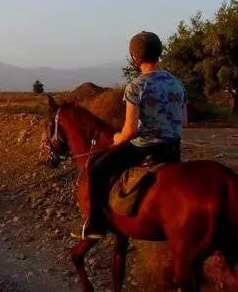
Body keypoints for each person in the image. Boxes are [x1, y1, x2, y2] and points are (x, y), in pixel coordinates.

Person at [78, 31, 187, 240]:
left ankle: (96, 223)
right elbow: (184, 121)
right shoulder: (177, 83)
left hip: (144, 148)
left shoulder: (136, 86)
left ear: (135, 58)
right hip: (173, 148)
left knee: (96, 168)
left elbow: (131, 131)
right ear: (159, 53)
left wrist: (118, 137)